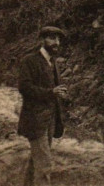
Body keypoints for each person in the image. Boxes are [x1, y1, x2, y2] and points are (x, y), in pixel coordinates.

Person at [18, 26, 68, 186]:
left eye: (58, 39)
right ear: (42, 40)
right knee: (44, 164)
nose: (56, 42)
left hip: (51, 120)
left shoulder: (52, 62)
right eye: (52, 38)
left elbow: (53, 90)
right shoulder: (29, 60)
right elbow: (24, 88)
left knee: (36, 162)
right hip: (35, 120)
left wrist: (62, 96)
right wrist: (51, 92)